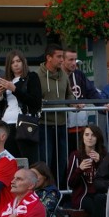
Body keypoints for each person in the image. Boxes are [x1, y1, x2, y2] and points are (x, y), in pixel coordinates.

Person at [0, 50, 42, 163]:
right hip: (7, 123)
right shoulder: (8, 80)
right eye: (12, 62)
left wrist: (14, 89)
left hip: (24, 122)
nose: (16, 64)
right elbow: (3, 107)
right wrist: (0, 95)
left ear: (23, 62)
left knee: (28, 160)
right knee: (10, 160)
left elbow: (35, 102)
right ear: (9, 66)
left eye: (18, 61)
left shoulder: (32, 77)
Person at [37, 44, 72, 186]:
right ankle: (46, 191)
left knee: (62, 161)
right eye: (59, 57)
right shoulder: (37, 75)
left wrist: (74, 103)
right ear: (49, 58)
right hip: (44, 125)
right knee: (46, 161)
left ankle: (60, 192)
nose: (62, 60)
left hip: (62, 124)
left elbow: (69, 94)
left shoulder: (63, 74)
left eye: (62, 57)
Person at [66, 124, 107, 217]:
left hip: (99, 194)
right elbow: (70, 183)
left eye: (93, 135)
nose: (90, 138)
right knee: (96, 208)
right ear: (82, 137)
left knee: (101, 201)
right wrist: (79, 169)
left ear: (98, 138)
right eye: (87, 135)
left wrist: (100, 162)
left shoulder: (103, 154)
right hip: (82, 195)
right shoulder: (76, 155)